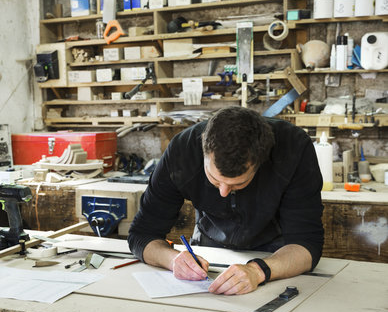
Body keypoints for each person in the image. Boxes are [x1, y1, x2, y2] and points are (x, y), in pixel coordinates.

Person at [128, 106, 324, 295]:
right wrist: (173, 260)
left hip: (275, 256)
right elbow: (142, 234)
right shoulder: (183, 150)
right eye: (214, 180)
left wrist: (257, 271)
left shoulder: (293, 148)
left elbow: (306, 243)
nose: (223, 192)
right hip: (208, 250)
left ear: (259, 163)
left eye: (238, 184)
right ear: (203, 150)